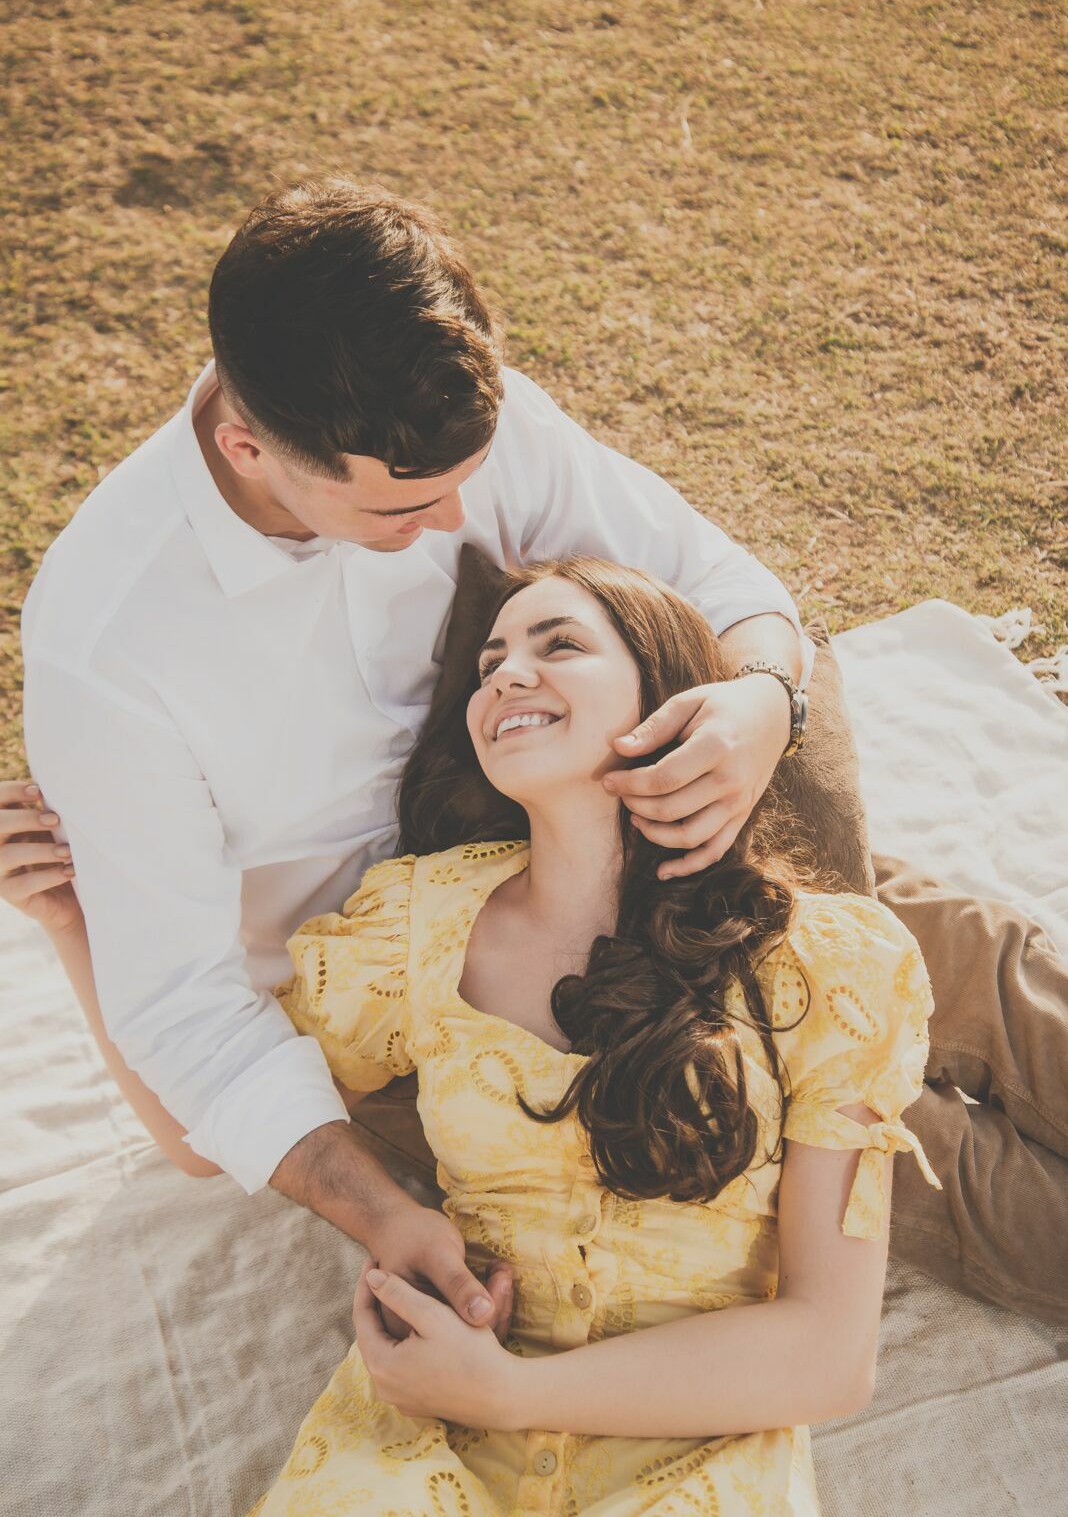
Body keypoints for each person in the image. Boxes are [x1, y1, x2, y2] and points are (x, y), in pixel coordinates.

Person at [10, 176, 812, 1339]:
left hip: (567, 829)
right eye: (403, 510)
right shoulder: (108, 646)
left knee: (895, 964)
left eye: (462, 488)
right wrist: (382, 1215)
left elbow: (720, 579)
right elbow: (186, 1016)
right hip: (380, 991)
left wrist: (762, 705)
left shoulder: (461, 427)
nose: (451, 529)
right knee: (760, 1130)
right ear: (247, 447)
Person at [248, 555, 939, 1516]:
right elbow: (229, 1098)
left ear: (666, 696)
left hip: (691, 1455)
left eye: (558, 644)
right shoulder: (410, 922)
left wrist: (510, 1392)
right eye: (491, 661)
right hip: (419, 1454)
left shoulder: (828, 963)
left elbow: (830, 1354)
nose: (504, 675)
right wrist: (81, 926)